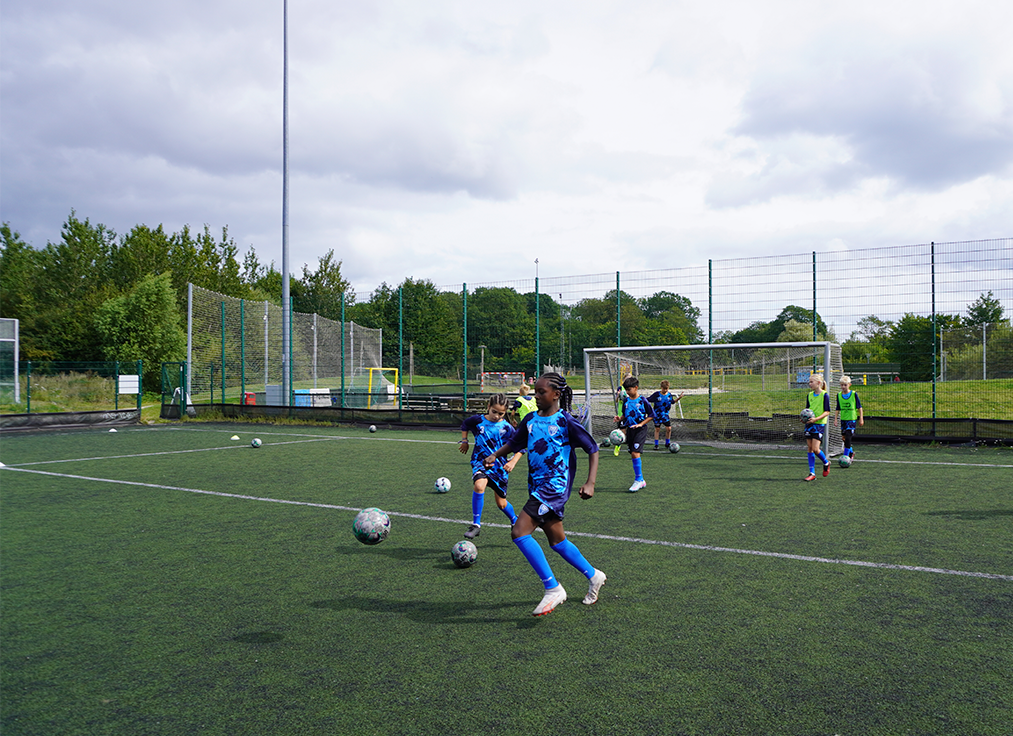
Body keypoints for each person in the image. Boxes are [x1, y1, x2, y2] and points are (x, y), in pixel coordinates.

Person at [483, 372, 606, 617]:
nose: (536, 396)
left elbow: (592, 448)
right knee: (557, 541)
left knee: (519, 532)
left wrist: (590, 482)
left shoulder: (565, 421)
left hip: (554, 488)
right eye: (535, 392)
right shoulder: (530, 419)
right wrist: (496, 455)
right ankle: (594, 576)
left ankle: (552, 588)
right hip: (537, 486)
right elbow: (515, 444)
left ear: (556, 394)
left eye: (541, 392)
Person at [459, 393, 521, 539]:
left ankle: (515, 520)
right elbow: (465, 424)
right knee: (479, 485)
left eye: (501, 414)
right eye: (494, 412)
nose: (496, 416)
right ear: (488, 407)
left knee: (501, 504)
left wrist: (512, 461)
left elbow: (520, 447)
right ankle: (476, 525)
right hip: (480, 462)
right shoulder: (478, 420)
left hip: (499, 468)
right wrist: (464, 440)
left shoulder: (507, 427)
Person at [615, 375, 656, 492]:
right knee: (632, 453)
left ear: (636, 388)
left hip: (640, 430)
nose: (627, 392)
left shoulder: (643, 400)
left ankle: (638, 479)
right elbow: (625, 414)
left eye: (629, 389)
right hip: (630, 429)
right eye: (626, 390)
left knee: (635, 452)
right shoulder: (626, 401)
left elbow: (652, 415)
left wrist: (641, 424)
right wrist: (619, 418)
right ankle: (641, 480)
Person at [803, 373, 832, 481]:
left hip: (819, 424)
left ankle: (826, 462)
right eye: (809, 382)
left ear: (819, 383)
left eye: (811, 382)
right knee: (810, 448)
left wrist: (816, 419)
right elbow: (807, 410)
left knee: (815, 449)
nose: (809, 384)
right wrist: (804, 418)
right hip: (809, 424)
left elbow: (827, 411)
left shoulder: (824, 395)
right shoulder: (809, 395)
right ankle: (812, 473)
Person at [646, 380, 684, 450]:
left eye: (666, 389)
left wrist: (679, 398)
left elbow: (672, 402)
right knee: (657, 429)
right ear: (661, 387)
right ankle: (656, 444)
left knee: (669, 428)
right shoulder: (657, 395)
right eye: (664, 389)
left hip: (665, 415)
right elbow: (648, 400)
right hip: (657, 415)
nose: (665, 390)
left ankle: (667, 443)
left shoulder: (669, 395)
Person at [835, 375, 864, 460]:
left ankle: (845, 456)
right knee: (844, 438)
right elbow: (838, 408)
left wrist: (861, 418)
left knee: (848, 437)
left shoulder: (854, 394)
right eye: (842, 385)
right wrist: (836, 419)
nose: (843, 387)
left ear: (849, 385)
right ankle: (851, 452)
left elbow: (859, 407)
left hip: (851, 419)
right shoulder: (839, 395)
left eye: (845, 385)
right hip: (843, 419)